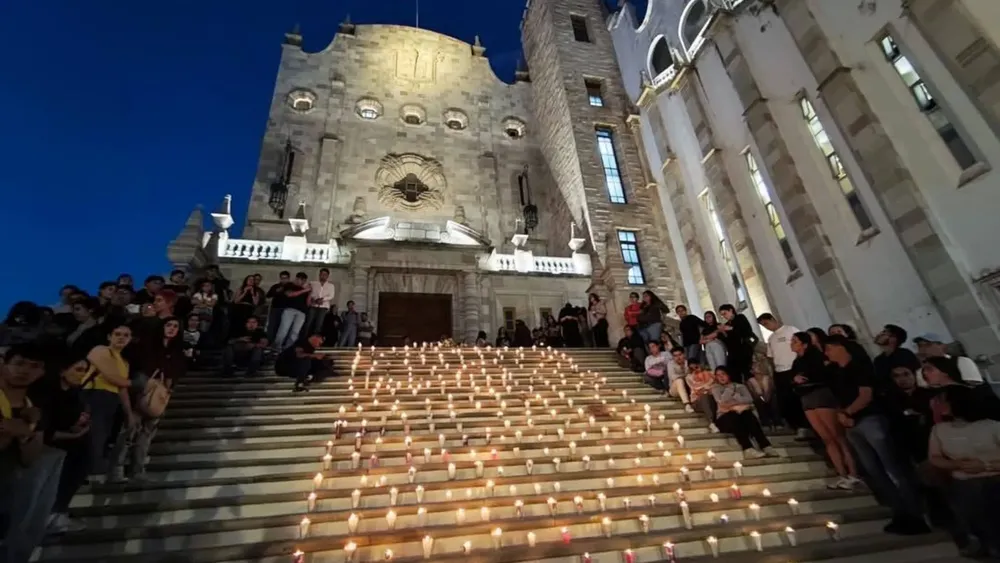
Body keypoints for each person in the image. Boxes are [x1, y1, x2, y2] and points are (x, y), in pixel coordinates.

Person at [825, 334, 930, 535]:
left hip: (870, 419)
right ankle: (899, 513)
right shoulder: (837, 372)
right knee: (876, 471)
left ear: (840, 347)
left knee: (893, 468)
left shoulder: (860, 366)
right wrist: (842, 414)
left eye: (829, 348)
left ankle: (916, 514)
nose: (827, 353)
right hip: (852, 424)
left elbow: (866, 395)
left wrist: (847, 412)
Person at [0, 343, 66, 563]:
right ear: (4, 364)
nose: (25, 370)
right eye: (18, 363)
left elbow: (30, 457)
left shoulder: (33, 408)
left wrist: (25, 430)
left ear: (42, 373)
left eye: (34, 366)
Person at [927, 385, 1000, 557]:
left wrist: (986, 466)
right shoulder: (940, 430)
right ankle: (985, 544)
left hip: (994, 477)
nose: (938, 405)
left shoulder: (992, 426)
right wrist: (956, 464)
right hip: (963, 480)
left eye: (942, 401)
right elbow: (935, 457)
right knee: (970, 511)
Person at [789, 332, 860, 489]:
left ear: (805, 344)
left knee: (837, 435)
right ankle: (841, 473)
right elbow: (793, 377)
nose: (791, 343)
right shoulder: (797, 362)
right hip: (806, 396)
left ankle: (853, 473)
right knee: (826, 437)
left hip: (820, 394)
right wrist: (795, 379)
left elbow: (823, 373)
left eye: (795, 341)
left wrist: (805, 377)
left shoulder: (816, 357)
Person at [30, 355, 92, 534]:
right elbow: (44, 429)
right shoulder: (46, 393)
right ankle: (51, 517)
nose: (82, 374)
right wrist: (73, 434)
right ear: (63, 370)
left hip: (71, 448)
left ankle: (57, 513)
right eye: (78, 369)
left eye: (84, 370)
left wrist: (79, 425)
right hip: (51, 449)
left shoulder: (73, 393)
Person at [80, 321, 134, 478]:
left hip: (111, 399)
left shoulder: (124, 362)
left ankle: (94, 471)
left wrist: (129, 413)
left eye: (126, 335)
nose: (121, 338)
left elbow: (121, 388)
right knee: (93, 434)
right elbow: (114, 378)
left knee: (102, 435)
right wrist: (133, 383)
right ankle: (87, 472)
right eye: (117, 334)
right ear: (109, 337)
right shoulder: (101, 350)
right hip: (94, 394)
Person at [711, 366, 777, 459]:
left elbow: (749, 400)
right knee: (734, 416)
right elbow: (721, 402)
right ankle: (747, 448)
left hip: (741, 414)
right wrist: (730, 389)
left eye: (723, 374)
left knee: (748, 415)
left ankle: (766, 446)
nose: (721, 377)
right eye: (718, 375)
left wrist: (733, 399)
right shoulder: (715, 388)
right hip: (724, 417)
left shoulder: (740, 386)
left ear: (728, 375)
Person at [758, 312, 807, 436]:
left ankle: (803, 425)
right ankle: (793, 425)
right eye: (763, 325)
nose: (766, 327)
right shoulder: (771, 338)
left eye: (766, 323)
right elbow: (770, 356)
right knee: (784, 400)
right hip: (779, 371)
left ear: (773, 319)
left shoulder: (791, 330)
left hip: (793, 368)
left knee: (796, 398)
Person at [913, 333, 983, 384]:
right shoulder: (922, 368)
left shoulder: (961, 361)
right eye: (920, 346)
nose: (923, 349)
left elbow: (974, 385)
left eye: (928, 345)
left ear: (941, 345)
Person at [873, 324, 920, 393]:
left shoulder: (904, 354)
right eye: (883, 332)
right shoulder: (878, 360)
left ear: (894, 339)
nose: (881, 334)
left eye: (886, 333)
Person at [718, 304, 757, 383]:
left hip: (744, 348)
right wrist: (723, 332)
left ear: (731, 310)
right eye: (722, 315)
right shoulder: (726, 324)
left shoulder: (740, 318)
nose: (724, 316)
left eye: (725, 313)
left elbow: (747, 331)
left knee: (744, 367)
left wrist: (731, 328)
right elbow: (727, 340)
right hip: (734, 351)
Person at [274, 273, 311, 350]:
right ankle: (276, 348)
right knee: (283, 329)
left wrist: (310, 293)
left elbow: (308, 303)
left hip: (301, 312)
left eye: (304, 280)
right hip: (289, 310)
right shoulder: (290, 285)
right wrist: (304, 290)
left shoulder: (306, 290)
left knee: (295, 332)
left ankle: (288, 349)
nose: (302, 282)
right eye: (300, 279)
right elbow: (290, 294)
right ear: (296, 278)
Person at [686, 364, 719, 432]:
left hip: (711, 398)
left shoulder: (709, 374)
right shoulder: (689, 377)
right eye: (692, 369)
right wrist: (707, 388)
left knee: (710, 396)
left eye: (696, 367)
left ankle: (716, 421)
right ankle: (711, 422)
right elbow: (696, 389)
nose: (695, 370)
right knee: (704, 396)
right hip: (696, 401)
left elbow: (717, 384)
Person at [305, 268, 335, 338]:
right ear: (319, 275)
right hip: (313, 305)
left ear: (327, 276)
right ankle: (304, 340)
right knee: (308, 323)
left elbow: (331, 295)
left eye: (325, 275)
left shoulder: (331, 286)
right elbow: (307, 291)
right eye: (322, 274)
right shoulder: (313, 283)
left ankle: (314, 342)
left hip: (323, 307)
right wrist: (314, 299)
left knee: (319, 324)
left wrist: (322, 299)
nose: (323, 276)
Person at [666, 346, 694, 413]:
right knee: (679, 380)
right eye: (675, 356)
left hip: (688, 387)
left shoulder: (688, 362)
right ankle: (687, 404)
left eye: (680, 355)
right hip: (674, 389)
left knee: (690, 377)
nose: (678, 357)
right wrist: (684, 375)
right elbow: (672, 377)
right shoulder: (670, 364)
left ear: (684, 354)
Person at [265, 271, 291, 343]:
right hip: (275, 308)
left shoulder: (291, 286)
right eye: (282, 278)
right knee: (272, 325)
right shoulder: (276, 286)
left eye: (285, 278)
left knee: (283, 327)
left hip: (287, 310)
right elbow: (268, 295)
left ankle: (281, 342)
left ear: (288, 278)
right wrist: (276, 291)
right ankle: (270, 341)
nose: (283, 280)